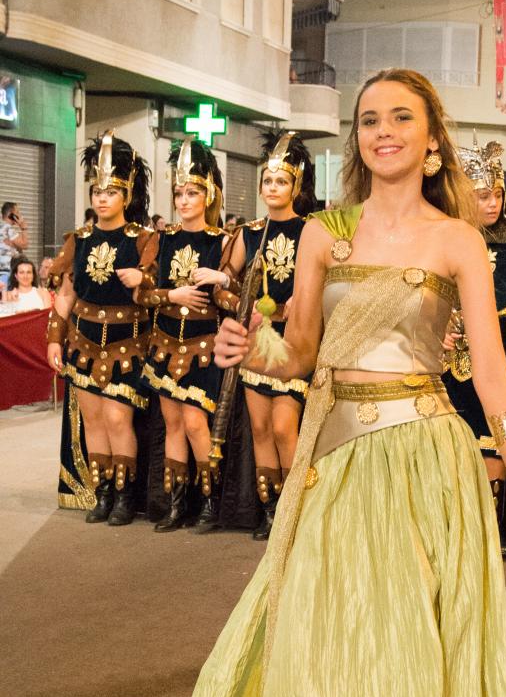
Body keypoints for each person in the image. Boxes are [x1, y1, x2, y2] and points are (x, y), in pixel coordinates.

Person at [152, 68, 506, 697]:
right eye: (369, 120)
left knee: (402, 641)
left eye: (401, 118)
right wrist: (252, 347)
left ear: (432, 140)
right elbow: (299, 351)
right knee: (321, 632)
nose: (384, 131)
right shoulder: (323, 234)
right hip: (333, 455)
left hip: (422, 458)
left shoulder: (458, 240)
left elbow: (490, 372)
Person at [46, 132, 156, 523]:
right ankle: (103, 493)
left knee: (117, 420)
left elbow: (156, 292)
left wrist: (142, 280)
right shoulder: (78, 241)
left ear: (126, 195)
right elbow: (65, 296)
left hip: (128, 343)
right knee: (92, 421)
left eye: (111, 192)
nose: (102, 198)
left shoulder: (144, 239)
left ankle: (125, 497)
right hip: (83, 341)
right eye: (97, 191)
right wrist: (54, 339)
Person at [216, 132, 315, 539]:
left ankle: (294, 512)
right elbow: (224, 285)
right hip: (256, 343)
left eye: (282, 181)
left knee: (283, 427)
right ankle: (270, 510)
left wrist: (290, 307)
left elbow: (323, 286)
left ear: (296, 187)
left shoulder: (311, 231)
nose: (273, 188)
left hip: (295, 343)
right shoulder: (249, 233)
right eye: (268, 181)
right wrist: (243, 305)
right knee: (259, 428)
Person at [443, 137, 506, 553]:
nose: (493, 203)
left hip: (501, 358)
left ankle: (492, 531)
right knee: (453, 447)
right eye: (482, 195)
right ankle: (454, 530)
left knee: (497, 442)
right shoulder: (447, 240)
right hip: (449, 361)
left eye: (497, 194)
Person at [137, 140, 228, 533]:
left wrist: (222, 280)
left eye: (192, 193)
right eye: (179, 193)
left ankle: (210, 503)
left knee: (194, 424)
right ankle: (177, 505)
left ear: (208, 195)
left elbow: (236, 295)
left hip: (203, 346)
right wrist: (171, 295)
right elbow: (142, 295)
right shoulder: (163, 238)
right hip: (164, 343)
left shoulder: (221, 240)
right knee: (172, 424)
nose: (184, 200)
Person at [0, 202, 28, 288]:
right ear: (10, 214)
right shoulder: (8, 228)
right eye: (17, 212)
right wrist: (24, 228)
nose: (19, 215)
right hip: (7, 271)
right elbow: (25, 244)